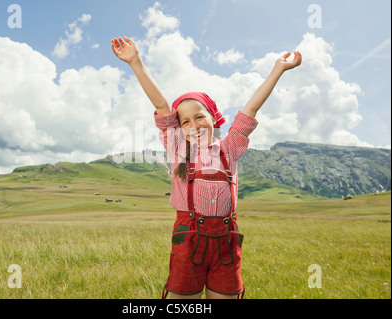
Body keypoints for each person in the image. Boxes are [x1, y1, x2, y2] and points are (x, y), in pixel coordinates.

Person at [111, 36, 301, 299]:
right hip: (188, 239)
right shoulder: (178, 147)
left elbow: (251, 109)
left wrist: (277, 69)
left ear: (214, 117)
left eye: (199, 117)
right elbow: (161, 107)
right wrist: (136, 62)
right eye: (185, 121)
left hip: (226, 242)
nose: (193, 126)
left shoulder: (230, 148)